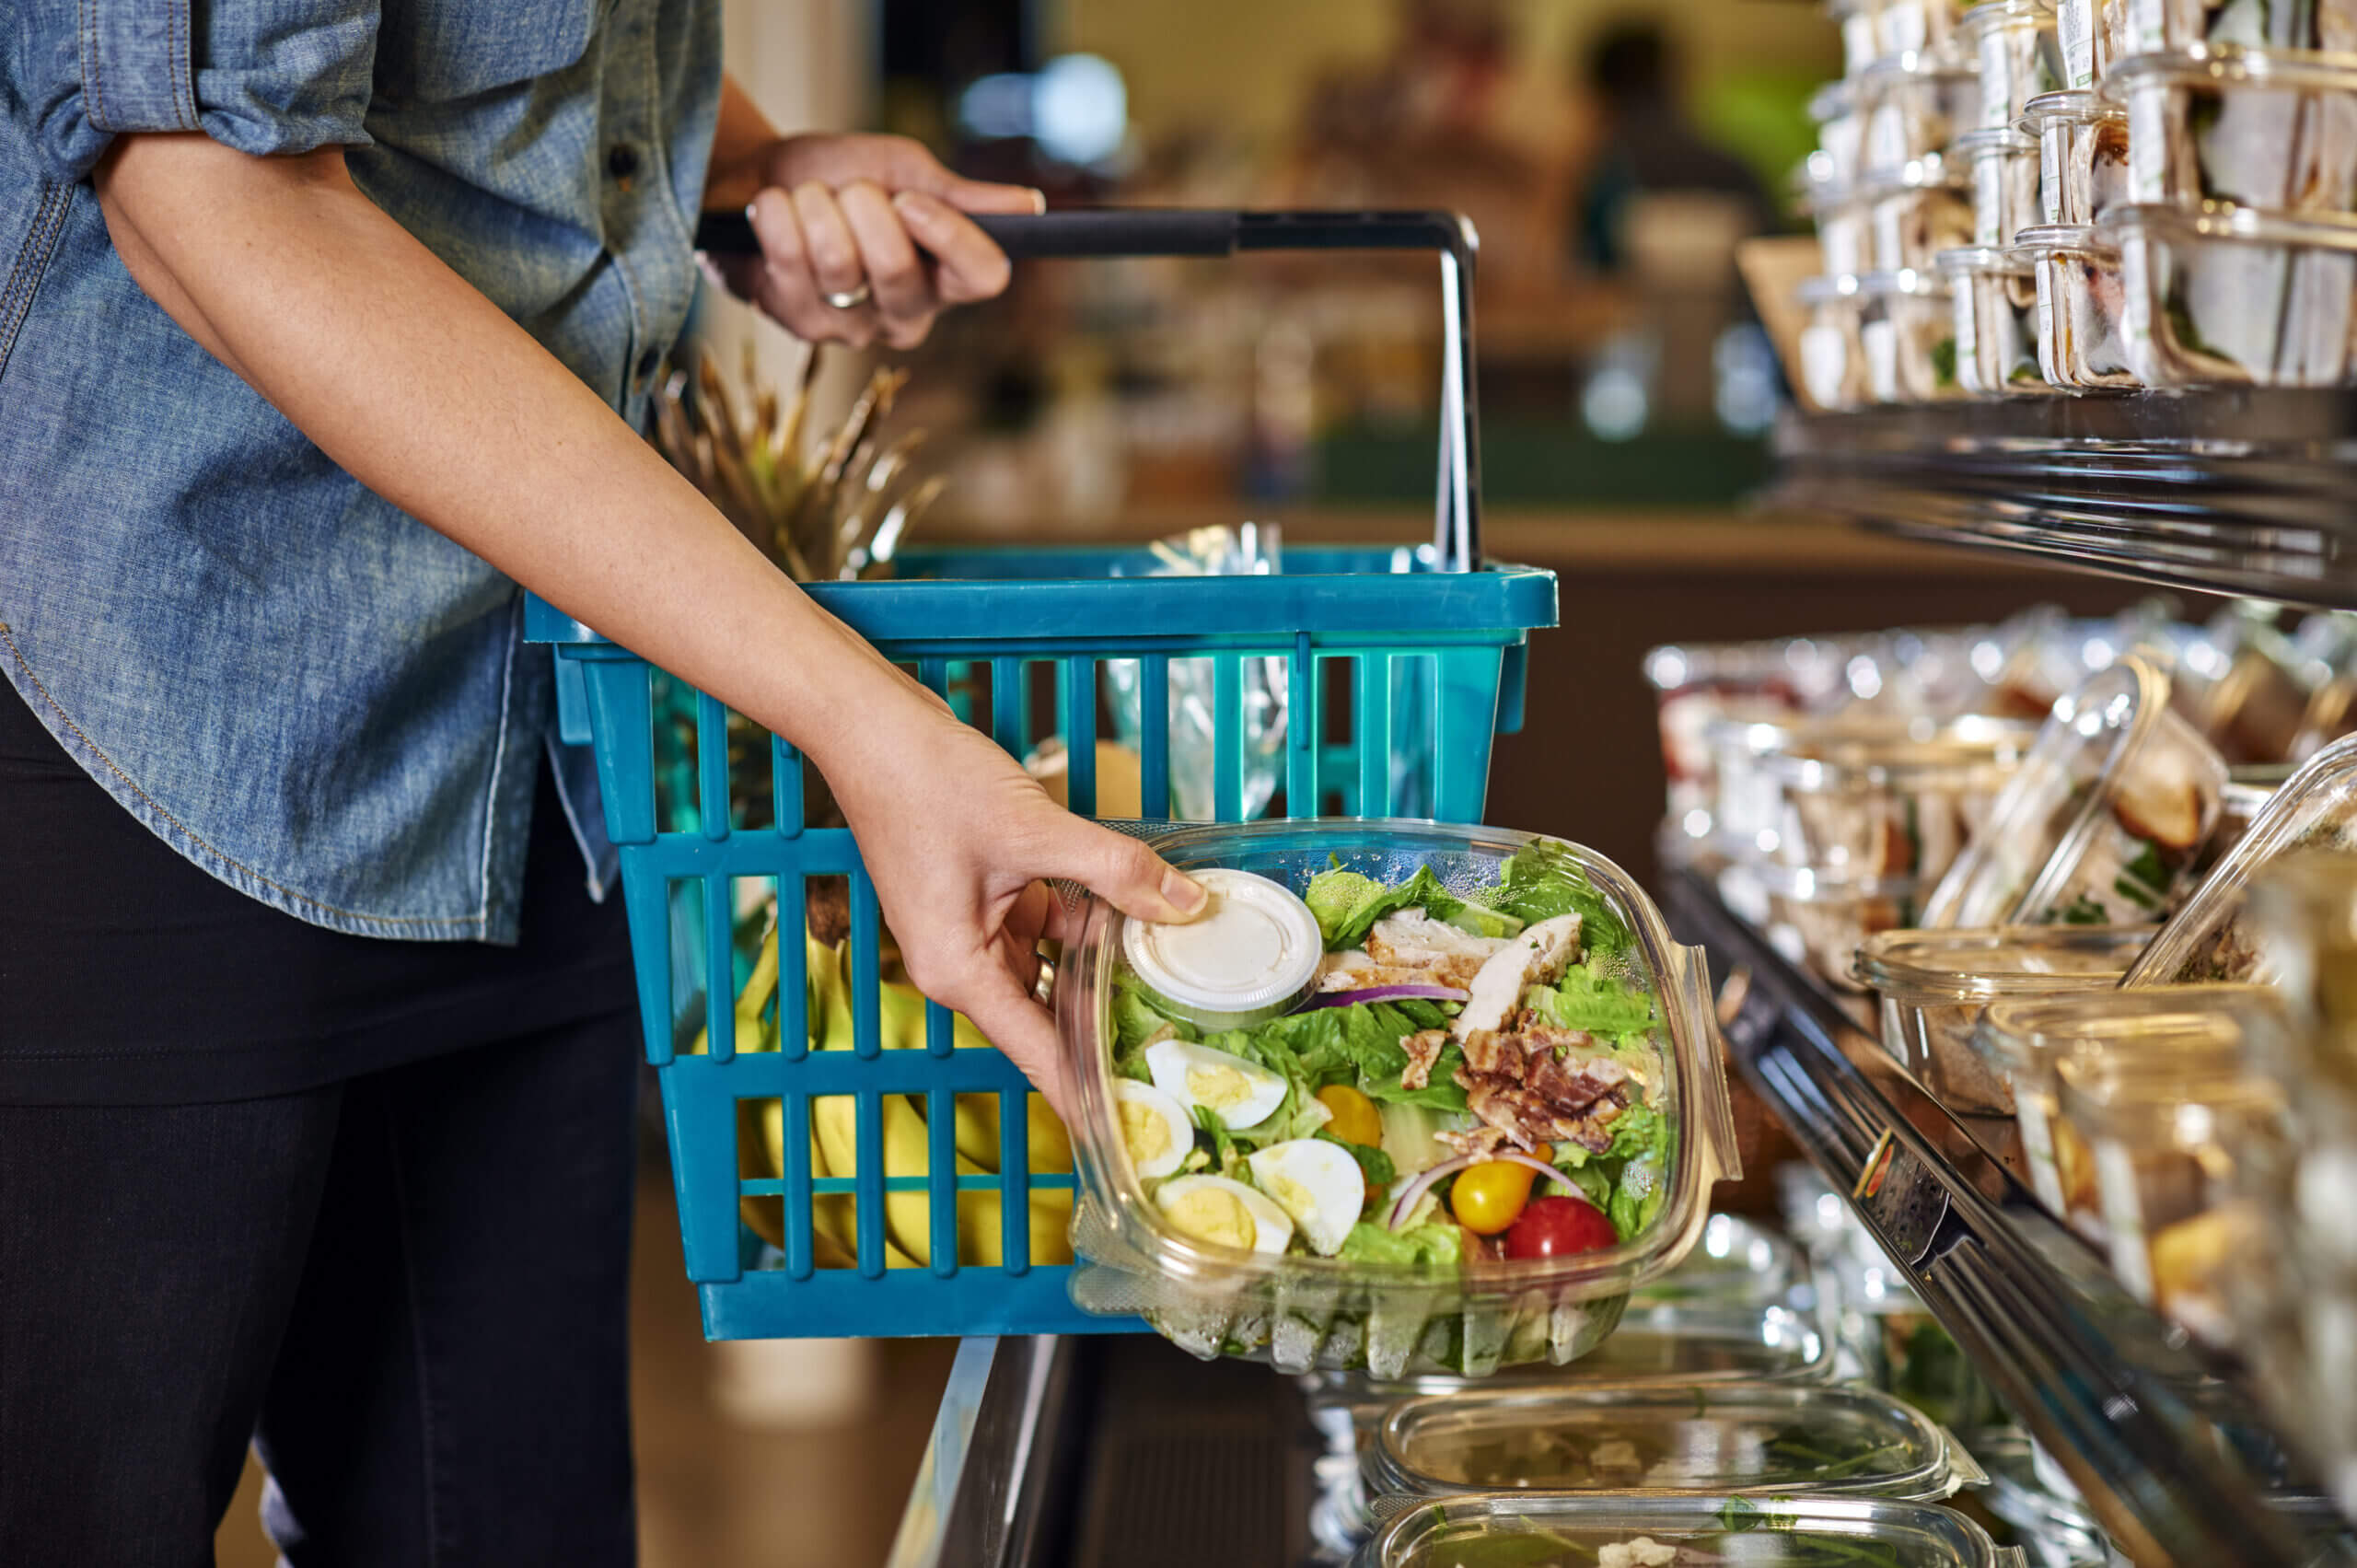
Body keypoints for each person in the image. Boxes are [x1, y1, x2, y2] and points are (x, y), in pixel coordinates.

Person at [0, 3, 1204, 1562]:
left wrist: (752, 166)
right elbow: (207, 183)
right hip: (155, 724)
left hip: (529, 733)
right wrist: (869, 722)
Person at [1570, 19, 1780, 276]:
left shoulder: (1604, 174)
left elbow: (1586, 269)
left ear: (1598, 91)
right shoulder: (1734, 167)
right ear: (1671, 78)